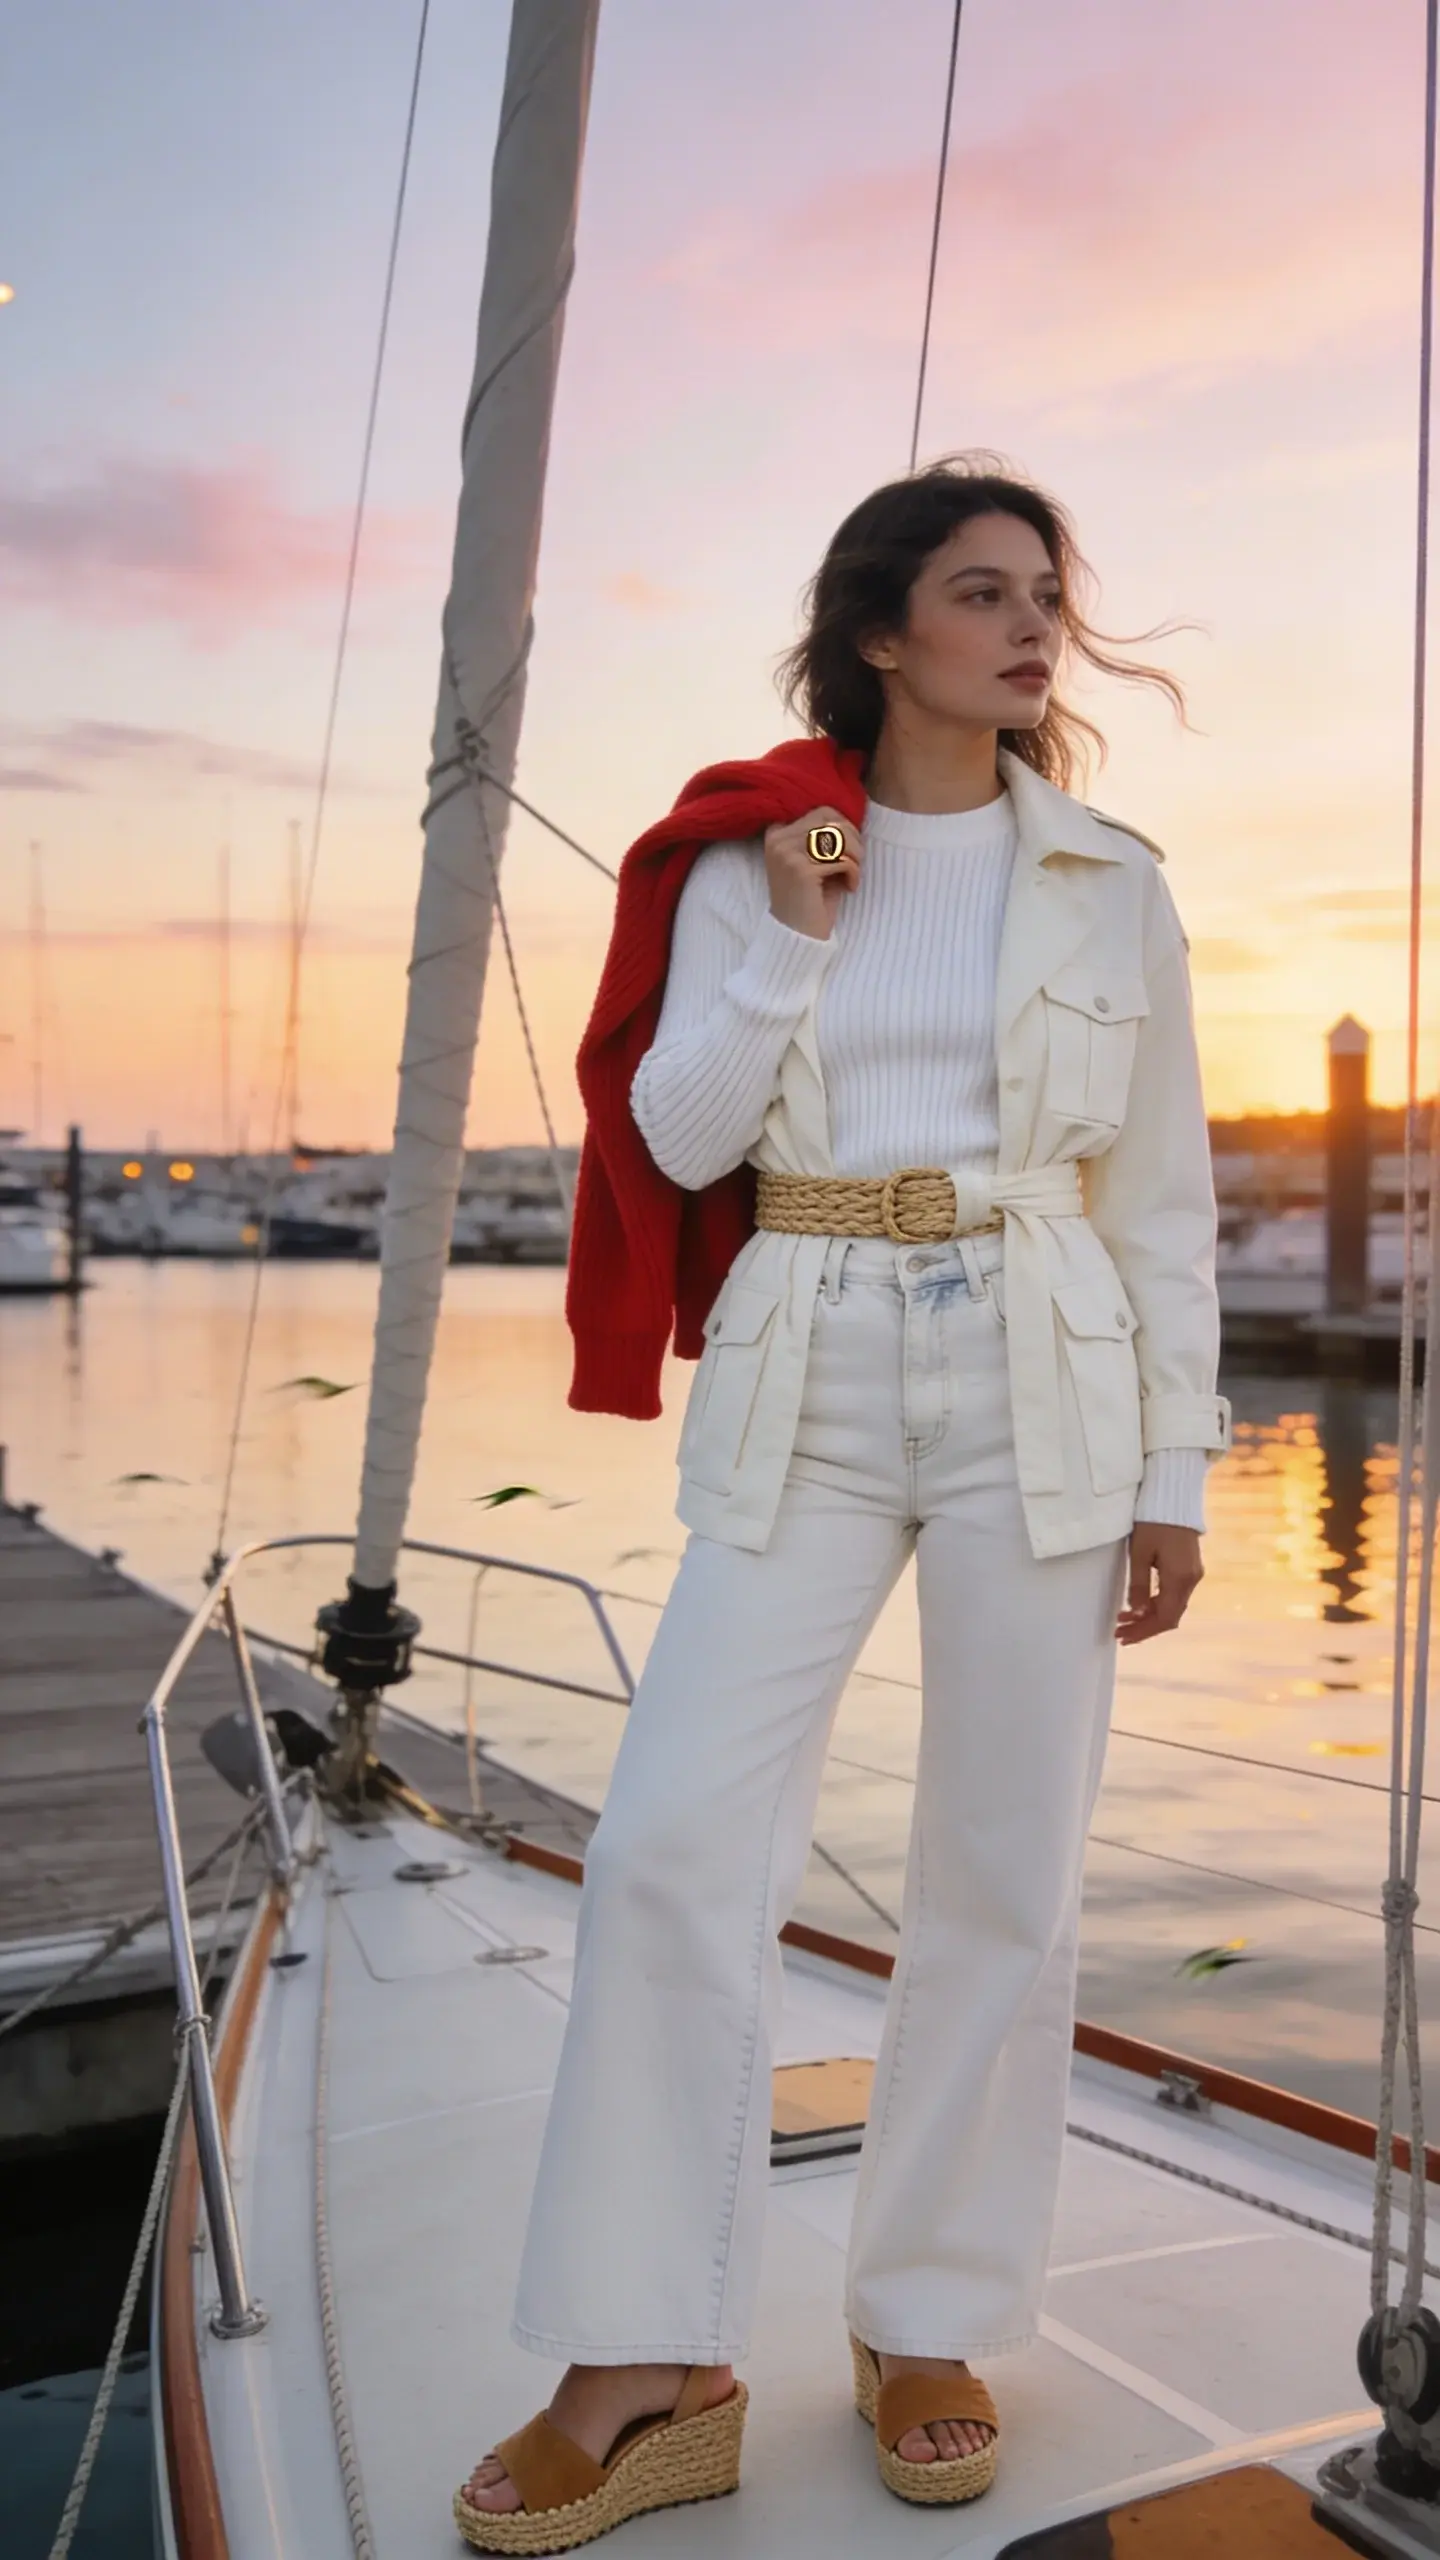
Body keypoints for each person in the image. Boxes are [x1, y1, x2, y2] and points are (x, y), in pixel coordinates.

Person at [455, 458, 1231, 2551]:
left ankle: (929, 2315)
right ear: (885, 630)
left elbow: (1161, 1204)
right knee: (676, 1841)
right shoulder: (755, 854)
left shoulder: (1111, 880)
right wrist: (792, 938)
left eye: (1046, 595)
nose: (1032, 625)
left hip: (1046, 1366)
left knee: (1001, 1865)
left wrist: (1179, 1469)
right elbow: (680, 1124)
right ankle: (642, 2350)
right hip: (810, 1345)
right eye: (985, 592)